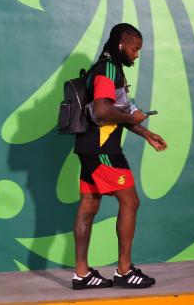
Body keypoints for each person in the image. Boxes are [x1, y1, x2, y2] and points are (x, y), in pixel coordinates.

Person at [71, 24, 167, 290]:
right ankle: (124, 271)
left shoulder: (107, 68)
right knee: (131, 202)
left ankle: (82, 274)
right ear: (122, 45)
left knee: (89, 204)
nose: (137, 55)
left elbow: (116, 111)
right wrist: (132, 118)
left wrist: (145, 133)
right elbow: (102, 112)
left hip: (88, 146)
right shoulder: (108, 69)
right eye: (135, 49)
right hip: (103, 150)